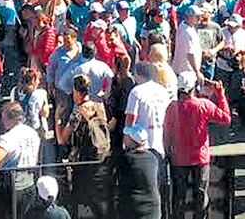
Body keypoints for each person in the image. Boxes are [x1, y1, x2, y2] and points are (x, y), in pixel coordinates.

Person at [163, 71, 231, 219]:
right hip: (200, 158)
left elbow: (167, 133)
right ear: (193, 87)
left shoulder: (172, 107)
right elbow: (226, 118)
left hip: (179, 158)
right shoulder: (203, 105)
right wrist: (220, 94)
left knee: (178, 197)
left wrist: (168, 152)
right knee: (200, 195)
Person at [57, 74, 111, 219]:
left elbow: (62, 139)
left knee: (80, 203)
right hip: (101, 162)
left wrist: (57, 119)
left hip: (83, 165)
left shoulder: (78, 112)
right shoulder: (100, 107)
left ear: (76, 91)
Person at [0, 101, 41, 219]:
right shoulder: (33, 133)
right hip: (29, 182)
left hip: (11, 187)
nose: (2, 121)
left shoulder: (8, 137)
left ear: (9, 118)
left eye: (3, 117)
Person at [124, 62, 173, 155]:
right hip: (160, 143)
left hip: (141, 144)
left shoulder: (136, 91)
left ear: (138, 74)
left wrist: (126, 135)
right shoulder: (162, 91)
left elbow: (131, 116)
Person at [117, 124, 161, 219]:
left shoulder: (125, 158)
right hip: (153, 208)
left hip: (133, 208)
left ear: (131, 140)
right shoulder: (154, 157)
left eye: (126, 136)